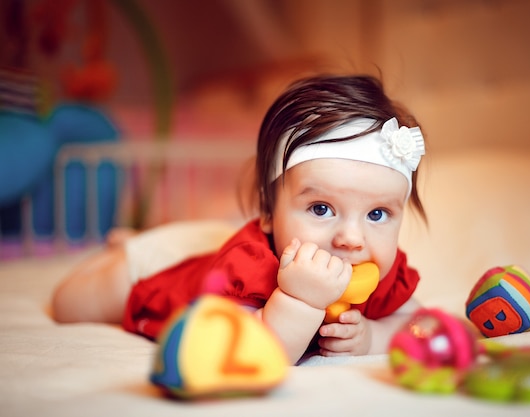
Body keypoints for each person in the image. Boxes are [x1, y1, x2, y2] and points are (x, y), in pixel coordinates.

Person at [52, 74, 427, 365]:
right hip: (170, 279)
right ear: (267, 213)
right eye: (320, 208)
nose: (350, 238)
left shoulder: (379, 271)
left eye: (377, 214)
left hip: (209, 243)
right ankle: (133, 248)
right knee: (71, 304)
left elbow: (419, 325)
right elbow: (246, 350)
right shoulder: (247, 269)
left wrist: (372, 337)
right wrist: (299, 302)